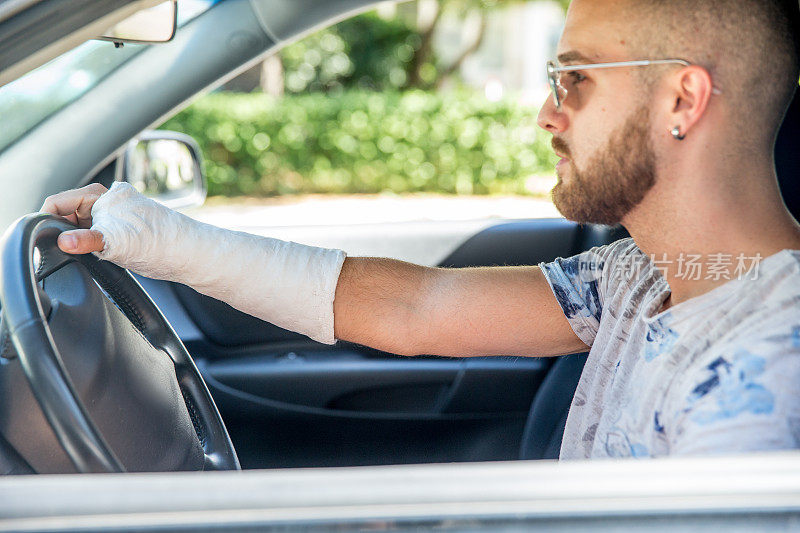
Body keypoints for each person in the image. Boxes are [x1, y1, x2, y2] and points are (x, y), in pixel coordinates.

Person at [41, 0, 800, 459]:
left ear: (683, 99)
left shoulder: (771, 366)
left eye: (576, 77)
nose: (546, 113)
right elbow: (415, 306)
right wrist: (168, 241)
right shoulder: (637, 277)